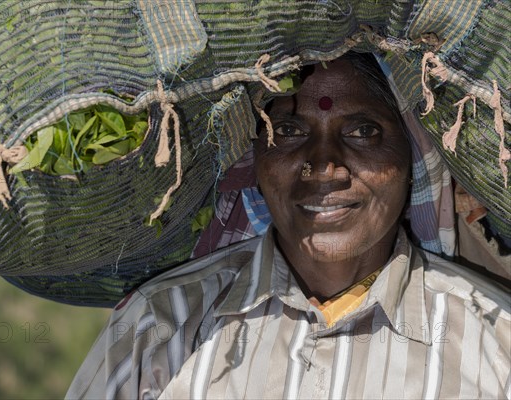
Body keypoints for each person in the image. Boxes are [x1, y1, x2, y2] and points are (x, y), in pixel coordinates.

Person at [66, 53, 510, 399]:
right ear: (255, 157)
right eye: (289, 131)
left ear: (409, 158)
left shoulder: (495, 338)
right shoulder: (159, 325)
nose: (324, 167)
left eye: (362, 132)